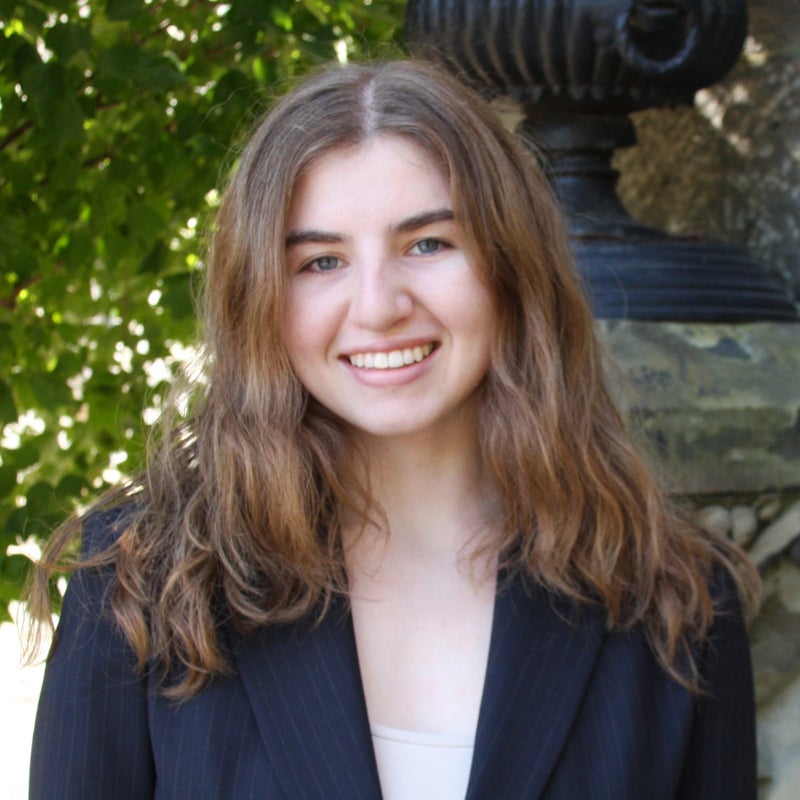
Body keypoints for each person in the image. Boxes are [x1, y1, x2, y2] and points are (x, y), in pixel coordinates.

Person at [27, 59, 759, 800]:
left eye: (428, 244)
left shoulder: (678, 602)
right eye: (320, 261)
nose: (377, 306)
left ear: (514, 266)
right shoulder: (142, 585)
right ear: (261, 298)